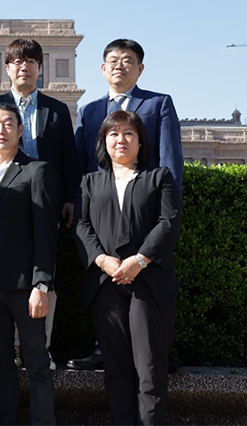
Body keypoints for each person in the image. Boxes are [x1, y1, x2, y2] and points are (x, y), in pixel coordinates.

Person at [69, 38, 183, 371]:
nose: (120, 65)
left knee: (148, 280)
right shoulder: (89, 111)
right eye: (114, 60)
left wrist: (168, 206)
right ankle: (102, 348)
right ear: (103, 68)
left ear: (140, 68)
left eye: (128, 60)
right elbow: (80, 163)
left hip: (146, 206)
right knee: (104, 282)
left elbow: (171, 161)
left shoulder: (158, 104)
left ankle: (154, 352)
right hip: (101, 209)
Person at [0, 38, 79, 370]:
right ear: (7, 69)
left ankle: (38, 347)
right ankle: (6, 349)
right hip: (5, 203)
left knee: (45, 272)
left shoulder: (56, 110)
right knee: (4, 278)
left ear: (39, 69)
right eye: (17, 62)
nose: (24, 67)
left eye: (31, 62)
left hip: (45, 202)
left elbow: (68, 159)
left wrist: (70, 199)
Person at [75, 110, 181, 425]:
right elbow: (81, 226)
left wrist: (140, 260)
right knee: (117, 371)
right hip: (106, 287)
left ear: (140, 141)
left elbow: (168, 222)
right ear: (103, 141)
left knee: (150, 371)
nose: (121, 140)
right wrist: (102, 259)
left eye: (129, 134)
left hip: (149, 286)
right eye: (113, 134)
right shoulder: (90, 182)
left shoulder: (158, 177)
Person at [0, 102, 58, 425]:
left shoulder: (37, 170)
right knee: (1, 364)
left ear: (21, 131)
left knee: (36, 363)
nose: (0, 131)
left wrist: (42, 284)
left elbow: (46, 232)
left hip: (27, 288)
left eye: (8, 124)